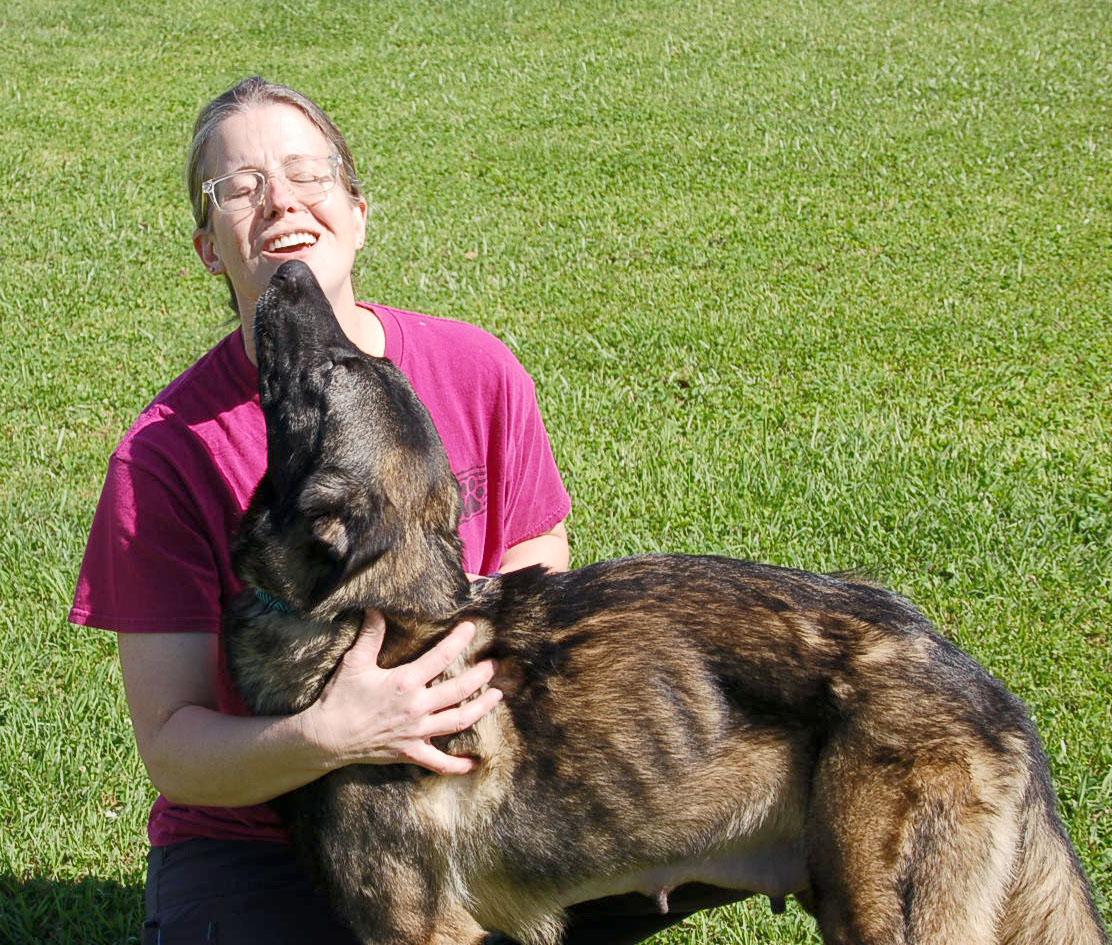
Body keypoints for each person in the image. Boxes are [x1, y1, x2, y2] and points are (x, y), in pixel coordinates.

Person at [71, 77, 739, 944]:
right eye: (240, 188)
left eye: (309, 173)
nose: (281, 201)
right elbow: (174, 749)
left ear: (357, 206)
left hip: (474, 786)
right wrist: (332, 732)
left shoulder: (476, 367)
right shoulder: (165, 453)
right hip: (259, 830)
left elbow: (542, 596)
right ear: (208, 246)